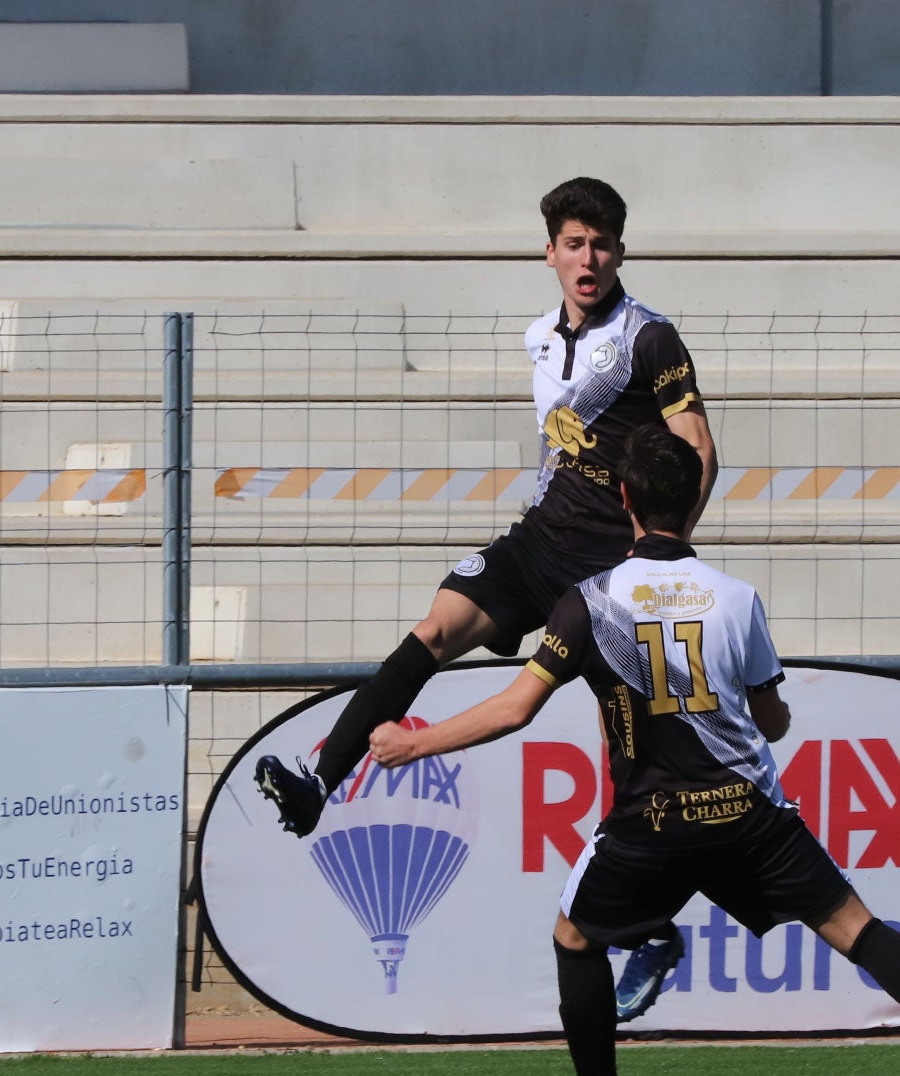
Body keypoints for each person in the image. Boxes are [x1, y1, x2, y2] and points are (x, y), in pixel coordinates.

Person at [367, 424, 900, 1076]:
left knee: (576, 938)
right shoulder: (735, 597)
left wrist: (404, 745)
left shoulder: (588, 600)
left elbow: (514, 709)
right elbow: (772, 719)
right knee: (858, 927)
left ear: (625, 500)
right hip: (749, 813)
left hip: (652, 822)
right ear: (691, 498)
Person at [255, 176, 708, 1016]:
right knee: (431, 629)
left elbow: (697, 449)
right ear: (549, 251)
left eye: (602, 243)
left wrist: (664, 554)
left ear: (619, 252)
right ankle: (324, 780)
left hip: (611, 571)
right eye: (573, 243)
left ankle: (648, 927)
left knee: (633, 748)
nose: (588, 258)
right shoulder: (540, 337)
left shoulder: (650, 339)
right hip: (537, 543)